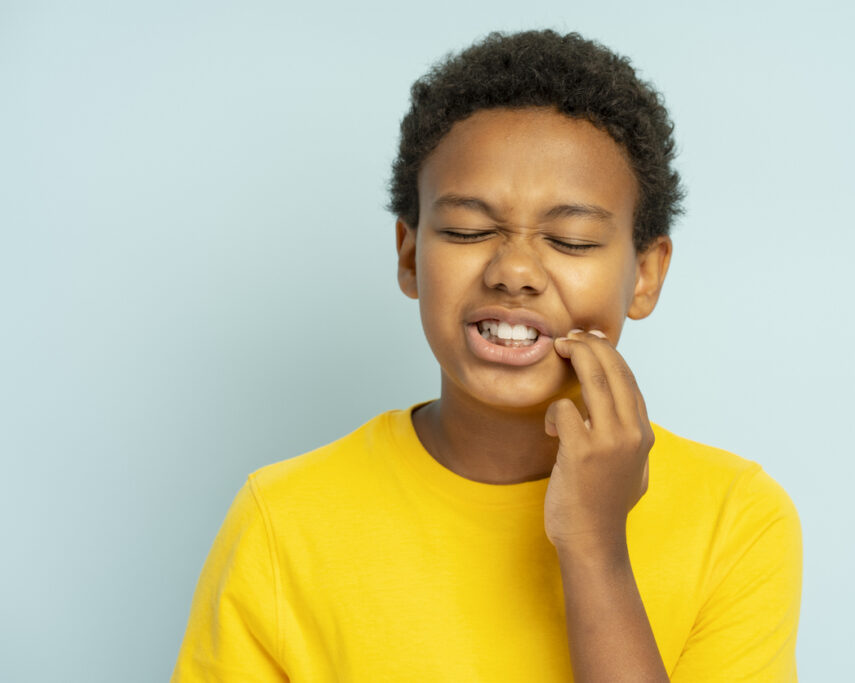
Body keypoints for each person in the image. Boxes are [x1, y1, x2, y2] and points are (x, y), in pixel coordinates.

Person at [171, 29, 802, 682]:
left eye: (572, 239)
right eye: (469, 230)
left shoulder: (738, 519)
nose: (515, 270)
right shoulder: (282, 519)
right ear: (411, 254)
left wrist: (595, 548)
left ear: (645, 274)